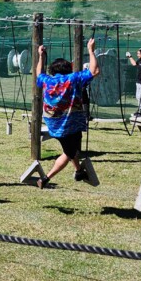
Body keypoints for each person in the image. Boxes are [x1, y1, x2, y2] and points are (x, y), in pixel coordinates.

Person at [35, 38, 100, 189]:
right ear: (68, 69)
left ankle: (78, 171)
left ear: (53, 71)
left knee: (70, 148)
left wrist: (41, 57)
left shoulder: (47, 81)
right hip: (70, 124)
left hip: (53, 124)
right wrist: (90, 50)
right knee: (69, 152)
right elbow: (94, 71)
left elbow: (39, 73)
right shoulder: (73, 79)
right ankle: (45, 178)